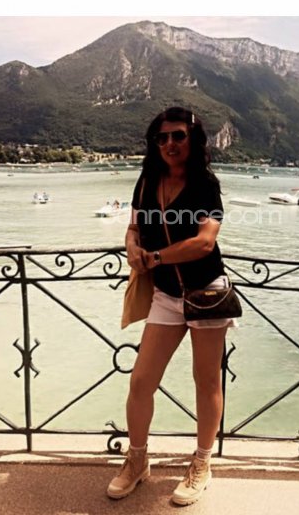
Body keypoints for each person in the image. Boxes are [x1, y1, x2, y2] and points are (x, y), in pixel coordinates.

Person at [107, 106, 237, 506]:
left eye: (178, 136)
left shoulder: (205, 185)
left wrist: (156, 257)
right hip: (165, 296)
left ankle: (202, 463)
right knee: (141, 381)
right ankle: (137, 460)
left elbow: (205, 242)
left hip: (206, 292)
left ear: (193, 139)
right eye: (161, 138)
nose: (169, 144)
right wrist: (132, 249)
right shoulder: (147, 181)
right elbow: (133, 228)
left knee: (206, 381)